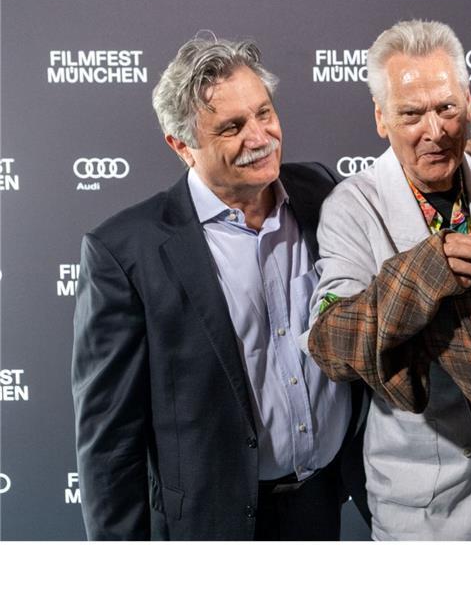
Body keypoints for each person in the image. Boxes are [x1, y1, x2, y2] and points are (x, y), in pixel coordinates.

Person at [72, 35, 358, 540]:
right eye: (231, 127)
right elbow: (110, 441)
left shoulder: (320, 192)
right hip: (211, 526)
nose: (260, 136)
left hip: (323, 503)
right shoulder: (124, 252)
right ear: (181, 145)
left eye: (264, 113)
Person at [305, 20, 471, 540]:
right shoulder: (352, 207)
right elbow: (331, 341)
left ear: (469, 102)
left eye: (447, 108)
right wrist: (423, 274)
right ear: (381, 118)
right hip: (422, 503)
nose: (434, 131)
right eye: (411, 113)